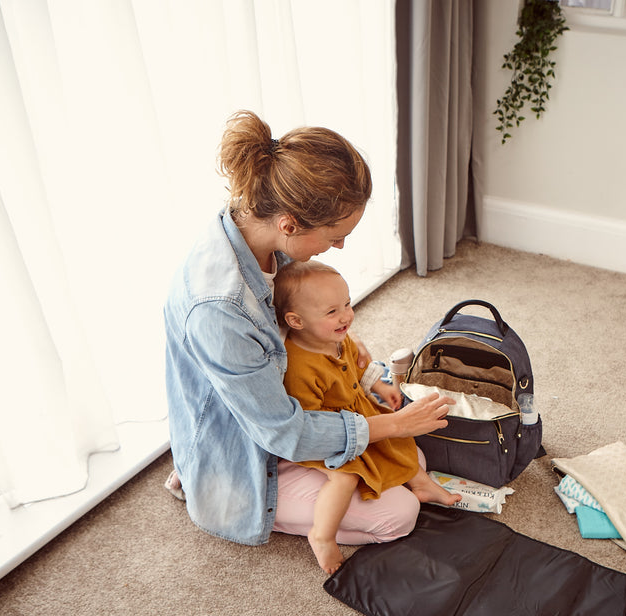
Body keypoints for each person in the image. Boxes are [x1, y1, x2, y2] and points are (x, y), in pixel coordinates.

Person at [163, 110, 454, 553]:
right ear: (289, 224)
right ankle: (212, 490)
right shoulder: (220, 309)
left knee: (409, 457)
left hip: (275, 410)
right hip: (248, 454)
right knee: (398, 514)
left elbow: (308, 332)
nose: (339, 247)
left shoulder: (254, 228)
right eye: (335, 236)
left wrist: (367, 373)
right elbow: (285, 433)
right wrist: (391, 425)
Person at [273, 260, 461, 573]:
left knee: (400, 442)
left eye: (346, 304)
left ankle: (422, 483)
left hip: (354, 416)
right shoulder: (299, 365)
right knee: (345, 476)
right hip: (327, 435)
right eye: (332, 311)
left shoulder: (337, 337)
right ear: (296, 320)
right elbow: (309, 422)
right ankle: (322, 534)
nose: (346, 315)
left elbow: (359, 366)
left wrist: (380, 385)